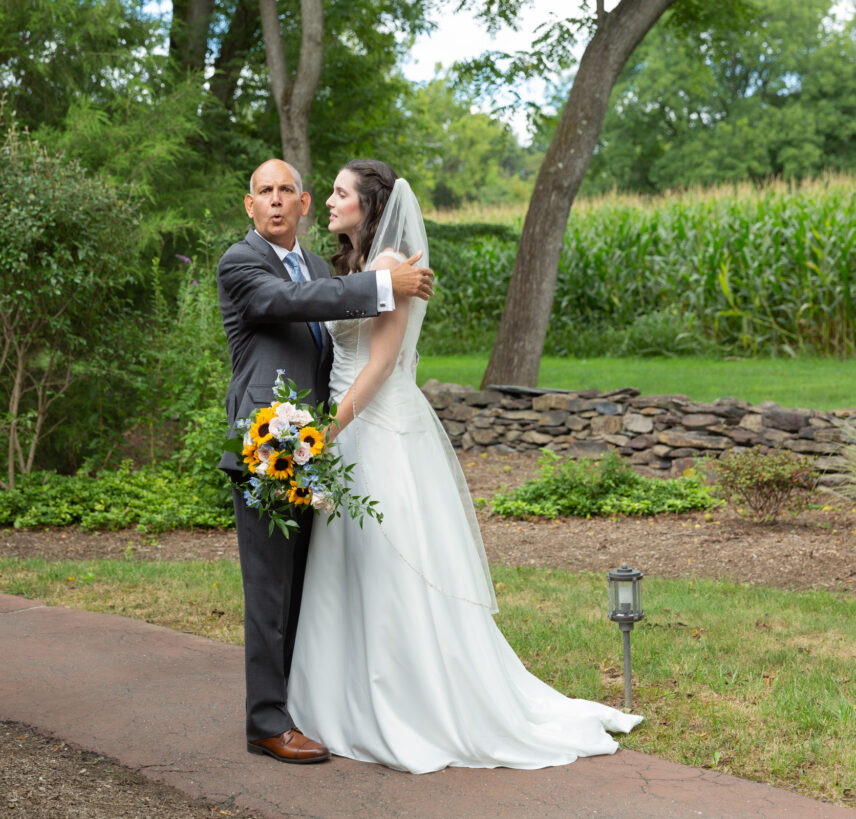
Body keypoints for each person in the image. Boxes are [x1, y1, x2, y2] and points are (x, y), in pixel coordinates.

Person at [286, 159, 643, 774]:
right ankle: (343, 697)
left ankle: (408, 702)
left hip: (373, 426)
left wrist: (322, 433)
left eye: (342, 193)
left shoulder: (392, 264)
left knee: (388, 561)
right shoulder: (357, 267)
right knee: (350, 563)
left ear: (370, 205)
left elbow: (379, 365)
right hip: (351, 427)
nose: (331, 201)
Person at [217, 158, 435, 764]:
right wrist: (385, 283)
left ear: (305, 203)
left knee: (304, 592)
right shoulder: (242, 264)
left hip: (318, 451)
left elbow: (342, 335)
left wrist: (330, 434)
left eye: (289, 190)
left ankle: (301, 706)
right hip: (268, 444)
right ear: (250, 205)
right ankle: (265, 722)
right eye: (266, 192)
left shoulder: (319, 264)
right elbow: (290, 302)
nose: (278, 201)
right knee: (267, 588)